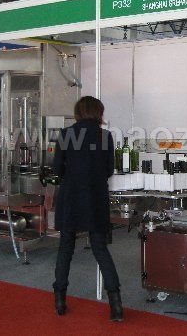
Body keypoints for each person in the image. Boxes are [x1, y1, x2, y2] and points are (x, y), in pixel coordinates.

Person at [52, 96, 123, 322]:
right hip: (95, 198)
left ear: (78, 112)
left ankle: (60, 300)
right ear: (98, 112)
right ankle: (116, 304)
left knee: (66, 247)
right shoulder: (104, 136)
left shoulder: (67, 134)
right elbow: (109, 170)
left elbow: (56, 169)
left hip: (71, 197)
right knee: (100, 248)